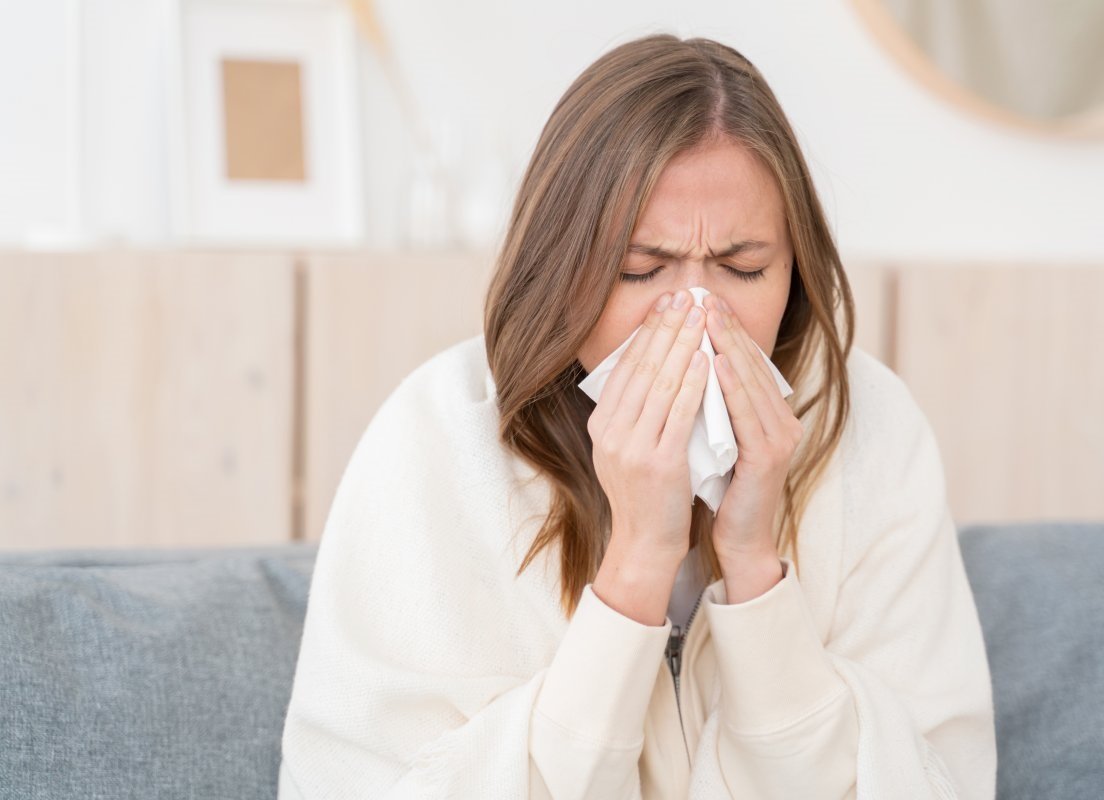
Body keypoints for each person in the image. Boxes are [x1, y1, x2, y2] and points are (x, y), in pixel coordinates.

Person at [277, 32, 997, 799]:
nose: (694, 311)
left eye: (744, 267)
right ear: (560, 268)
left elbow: (938, 779)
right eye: (640, 270)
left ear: (795, 269)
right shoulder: (434, 441)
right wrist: (637, 565)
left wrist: (755, 568)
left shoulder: (871, 427)